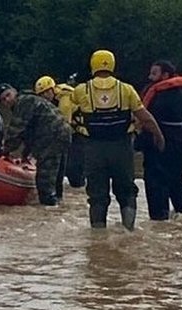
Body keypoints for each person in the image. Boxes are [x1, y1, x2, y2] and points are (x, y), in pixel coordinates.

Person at [71, 49, 165, 230]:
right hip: (121, 148)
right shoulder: (126, 89)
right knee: (127, 190)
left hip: (94, 149)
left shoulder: (81, 90)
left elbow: (67, 115)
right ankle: (129, 230)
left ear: (93, 65)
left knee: (97, 195)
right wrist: (159, 136)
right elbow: (145, 117)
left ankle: (98, 236)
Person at [0, 83, 72, 206]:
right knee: (56, 177)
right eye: (3, 100)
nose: (7, 100)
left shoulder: (23, 102)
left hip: (51, 136)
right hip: (62, 133)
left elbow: (15, 132)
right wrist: (25, 154)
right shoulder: (30, 99)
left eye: (8, 95)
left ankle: (49, 210)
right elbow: (28, 133)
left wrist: (2, 151)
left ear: (15, 91)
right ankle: (58, 207)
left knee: (44, 181)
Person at [138, 60, 182, 220]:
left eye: (154, 73)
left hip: (157, 144)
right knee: (178, 181)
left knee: (155, 184)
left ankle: (159, 219)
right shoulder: (181, 93)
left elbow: (145, 120)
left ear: (165, 75)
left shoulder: (154, 93)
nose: (150, 76)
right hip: (179, 143)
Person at [34, 75, 85, 190]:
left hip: (80, 133)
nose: (44, 97)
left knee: (74, 169)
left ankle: (80, 191)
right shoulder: (52, 101)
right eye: (41, 95)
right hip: (71, 133)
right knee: (66, 166)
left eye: (45, 93)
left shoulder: (65, 99)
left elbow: (63, 124)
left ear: (52, 89)